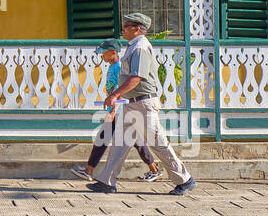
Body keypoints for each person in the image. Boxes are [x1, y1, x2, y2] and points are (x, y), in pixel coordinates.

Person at [87, 12, 196, 196]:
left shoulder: (140, 47)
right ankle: (107, 181)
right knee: (120, 143)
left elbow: (136, 77)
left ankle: (184, 179)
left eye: (127, 26)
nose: (123, 29)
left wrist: (114, 95)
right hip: (132, 103)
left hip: (143, 104)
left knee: (158, 142)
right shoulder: (133, 47)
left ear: (137, 29)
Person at [70, 37, 161, 183]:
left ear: (113, 53)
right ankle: (154, 169)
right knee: (135, 140)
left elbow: (122, 92)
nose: (102, 56)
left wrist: (113, 111)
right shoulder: (112, 67)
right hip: (118, 110)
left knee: (103, 138)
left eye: (104, 53)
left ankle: (89, 170)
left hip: (120, 110)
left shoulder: (119, 68)